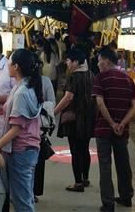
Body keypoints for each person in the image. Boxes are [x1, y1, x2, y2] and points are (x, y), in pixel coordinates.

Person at [0, 48, 42, 212]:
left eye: (10, 62)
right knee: (24, 196)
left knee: (21, 201)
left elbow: (16, 129)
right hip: (28, 150)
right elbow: (21, 115)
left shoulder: (21, 92)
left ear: (16, 67)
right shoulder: (25, 86)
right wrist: (2, 111)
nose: (7, 64)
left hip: (21, 150)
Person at [92, 47, 135, 211]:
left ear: (106, 61)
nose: (98, 64)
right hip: (122, 131)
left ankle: (108, 203)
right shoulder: (128, 79)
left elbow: (99, 103)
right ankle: (126, 197)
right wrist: (122, 123)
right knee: (123, 162)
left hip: (103, 129)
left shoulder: (100, 78)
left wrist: (112, 123)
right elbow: (134, 106)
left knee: (105, 165)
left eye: (99, 60)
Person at [55, 47, 94, 192]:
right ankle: (85, 178)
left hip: (75, 120)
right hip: (88, 117)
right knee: (85, 148)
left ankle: (78, 183)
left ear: (76, 62)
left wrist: (54, 111)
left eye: (68, 60)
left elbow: (68, 97)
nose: (66, 63)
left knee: (76, 151)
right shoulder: (91, 75)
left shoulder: (74, 77)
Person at [33, 74, 56, 200]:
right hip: (39, 128)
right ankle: (32, 192)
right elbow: (52, 102)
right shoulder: (45, 81)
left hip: (38, 127)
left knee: (36, 159)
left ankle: (32, 191)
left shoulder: (44, 81)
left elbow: (51, 102)